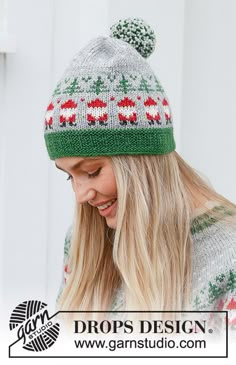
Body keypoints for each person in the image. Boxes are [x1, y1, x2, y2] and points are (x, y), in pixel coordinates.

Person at [44, 18, 236, 327]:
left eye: (92, 172)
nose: (81, 196)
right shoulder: (82, 241)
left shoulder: (229, 259)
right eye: (69, 176)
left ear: (140, 160)